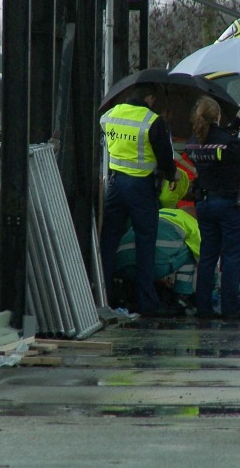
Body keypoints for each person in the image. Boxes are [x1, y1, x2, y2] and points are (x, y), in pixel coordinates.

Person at [99, 84, 179, 316]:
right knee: (145, 241)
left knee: (109, 239)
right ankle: (146, 301)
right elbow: (165, 158)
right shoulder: (152, 121)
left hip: (115, 184)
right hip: (141, 187)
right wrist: (171, 174)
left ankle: (105, 294)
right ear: (150, 97)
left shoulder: (109, 115)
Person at [186, 96, 240, 319]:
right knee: (231, 257)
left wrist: (236, 122)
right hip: (229, 205)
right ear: (217, 115)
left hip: (205, 204)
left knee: (208, 257)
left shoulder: (193, 141)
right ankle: (230, 308)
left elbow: (219, 139)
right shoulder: (226, 141)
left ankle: (204, 307)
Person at [113, 206, 201, 314]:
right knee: (191, 251)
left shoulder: (160, 211)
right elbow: (204, 260)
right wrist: (212, 287)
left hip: (121, 266)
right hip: (153, 267)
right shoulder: (193, 223)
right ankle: (182, 297)